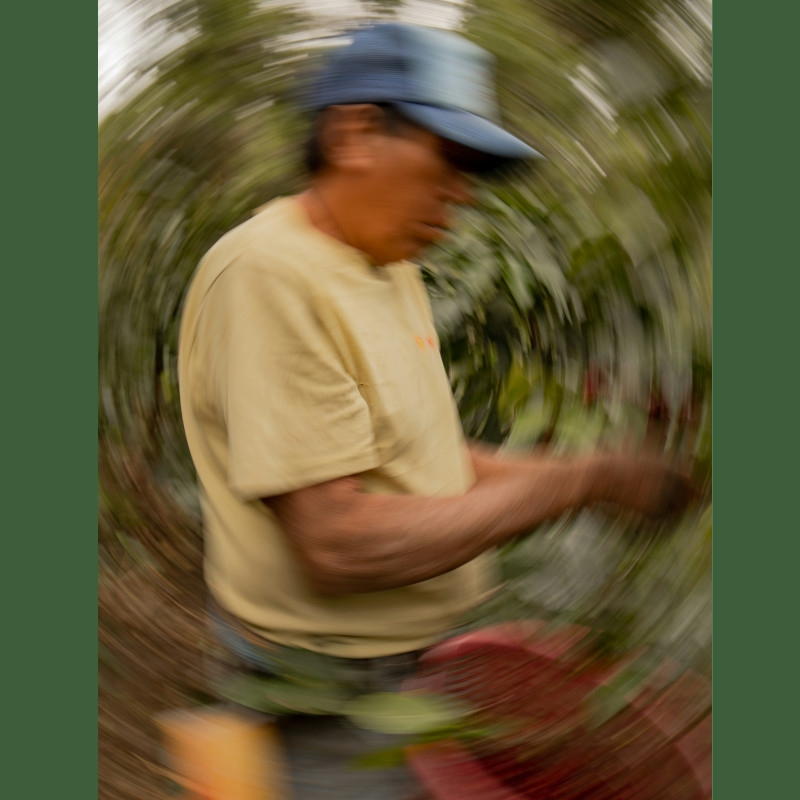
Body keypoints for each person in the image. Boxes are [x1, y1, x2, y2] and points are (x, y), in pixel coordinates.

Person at [177, 22, 694, 800]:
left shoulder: (389, 267)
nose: (462, 194)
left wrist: (596, 476)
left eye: (475, 173)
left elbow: (426, 455)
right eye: (449, 160)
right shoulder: (270, 275)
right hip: (331, 697)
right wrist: (579, 482)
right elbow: (339, 543)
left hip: (421, 671)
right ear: (356, 133)